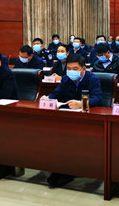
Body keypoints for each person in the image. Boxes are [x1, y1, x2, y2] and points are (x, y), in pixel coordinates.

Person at [44, 54, 103, 188]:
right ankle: (62, 168)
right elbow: (56, 93)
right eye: (69, 68)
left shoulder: (92, 79)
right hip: (67, 117)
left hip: (87, 118)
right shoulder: (66, 79)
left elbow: (97, 98)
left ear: (83, 69)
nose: (71, 71)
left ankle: (69, 169)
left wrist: (81, 103)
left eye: (75, 69)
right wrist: (48, 98)